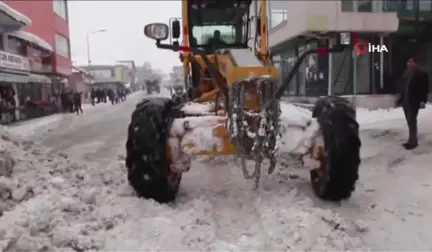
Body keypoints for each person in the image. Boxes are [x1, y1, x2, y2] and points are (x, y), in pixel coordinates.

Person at [396, 58, 429, 150]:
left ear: (416, 63)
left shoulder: (422, 75)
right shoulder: (406, 74)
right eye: (408, 62)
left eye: (411, 62)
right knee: (410, 121)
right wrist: (400, 99)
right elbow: (403, 87)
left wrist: (423, 100)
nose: (409, 64)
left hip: (414, 101)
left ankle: (413, 141)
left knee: (412, 120)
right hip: (406, 101)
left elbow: (424, 89)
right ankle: (411, 139)